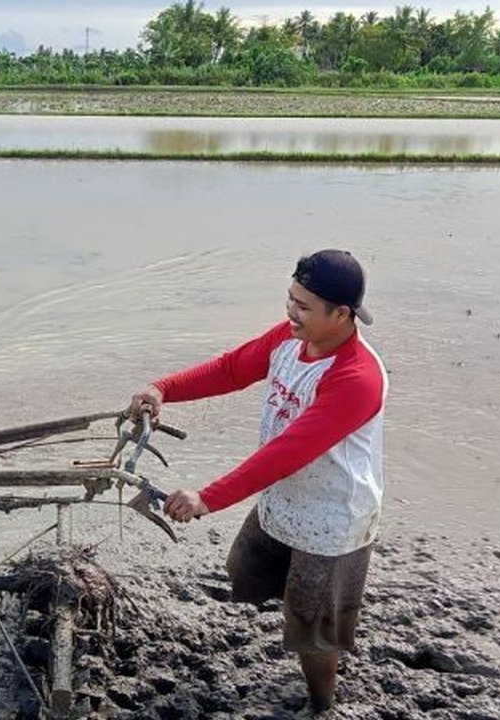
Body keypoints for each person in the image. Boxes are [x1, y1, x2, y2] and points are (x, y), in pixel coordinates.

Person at [128, 249, 387, 714]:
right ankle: (295, 606)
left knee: (312, 629)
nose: (291, 311)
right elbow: (232, 369)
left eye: (304, 306)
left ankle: (321, 704)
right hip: (282, 498)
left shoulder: (356, 378)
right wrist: (163, 387)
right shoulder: (290, 340)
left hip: (331, 519)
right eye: (290, 298)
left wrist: (208, 498)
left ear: (343, 314)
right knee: (243, 573)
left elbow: (286, 453)